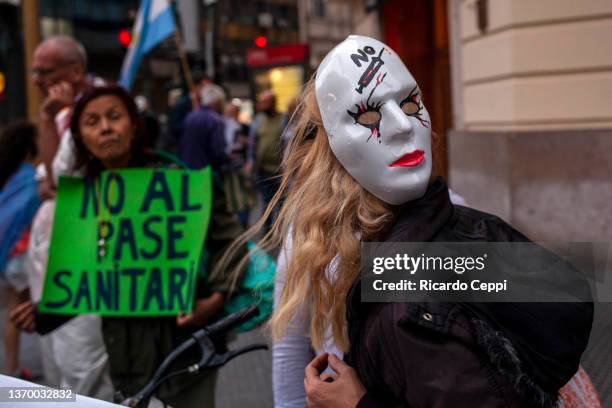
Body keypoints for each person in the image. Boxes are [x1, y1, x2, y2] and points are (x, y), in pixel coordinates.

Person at [218, 36, 594, 408]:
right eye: (367, 114)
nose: (401, 125)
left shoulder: (454, 228)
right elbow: (290, 361)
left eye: (411, 104)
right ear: (330, 147)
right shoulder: (307, 244)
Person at [11, 85, 245, 407]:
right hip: (126, 362)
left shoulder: (177, 182)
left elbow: (230, 242)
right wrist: (45, 312)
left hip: (186, 355)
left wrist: (215, 299)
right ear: (81, 138)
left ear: (133, 126)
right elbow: (91, 280)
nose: (105, 127)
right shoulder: (84, 203)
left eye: (114, 117)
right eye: (92, 122)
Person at [0, 121, 40, 379]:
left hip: (8, 258)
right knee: (23, 313)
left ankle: (12, 368)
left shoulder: (7, 176)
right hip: (22, 259)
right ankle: (13, 372)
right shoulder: (30, 178)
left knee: (14, 312)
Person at [245, 90, 284, 232]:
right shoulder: (258, 119)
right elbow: (252, 142)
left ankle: (279, 228)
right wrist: (250, 161)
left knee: (280, 201)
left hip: (280, 170)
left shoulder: (283, 118)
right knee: (267, 199)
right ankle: (267, 228)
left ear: (272, 103)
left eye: (265, 103)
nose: (261, 106)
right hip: (262, 169)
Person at [179, 83, 228, 172]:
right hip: (208, 172)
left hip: (188, 170)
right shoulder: (216, 120)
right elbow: (218, 151)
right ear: (217, 102)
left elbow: (183, 145)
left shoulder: (190, 116)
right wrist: (227, 159)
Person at [223, 101, 255, 228]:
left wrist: (250, 163)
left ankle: (243, 227)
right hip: (229, 170)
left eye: (232, 112)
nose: (230, 115)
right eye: (228, 112)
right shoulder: (223, 127)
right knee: (234, 201)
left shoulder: (245, 128)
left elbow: (252, 147)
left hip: (242, 168)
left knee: (245, 200)